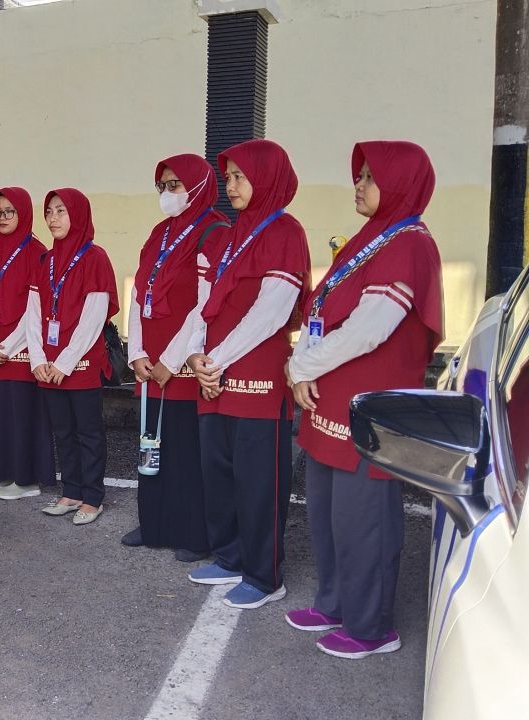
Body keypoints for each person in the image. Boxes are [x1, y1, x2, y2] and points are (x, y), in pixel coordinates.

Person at [286, 141, 443, 659]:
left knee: (366, 521)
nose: (358, 184)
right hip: (326, 401)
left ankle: (372, 627)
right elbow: (322, 309)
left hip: (367, 411)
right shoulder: (367, 241)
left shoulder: (411, 245)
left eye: (371, 177)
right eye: (359, 175)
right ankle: (335, 604)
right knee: (328, 514)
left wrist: (300, 366)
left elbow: (368, 330)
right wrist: (302, 367)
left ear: (400, 184)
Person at [181, 139, 311, 610]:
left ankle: (264, 573)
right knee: (220, 472)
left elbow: (271, 313)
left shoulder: (285, 232)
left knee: (258, 480)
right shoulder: (229, 235)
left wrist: (214, 361)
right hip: (215, 374)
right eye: (227, 177)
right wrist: (195, 354)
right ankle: (231, 556)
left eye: (238, 177)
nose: (229, 186)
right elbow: (205, 305)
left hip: (254, 377)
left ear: (267, 177)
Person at [123, 154, 230, 560]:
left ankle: (190, 533)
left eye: (175, 186)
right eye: (162, 186)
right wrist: (136, 352)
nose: (167, 194)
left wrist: (172, 358)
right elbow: (138, 293)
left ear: (198, 186)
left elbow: (204, 306)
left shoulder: (214, 231)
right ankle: (154, 524)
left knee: (185, 450)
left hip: (182, 361)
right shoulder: (159, 233)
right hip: (150, 361)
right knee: (151, 443)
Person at [25, 189, 118, 526]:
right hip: (48, 365)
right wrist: (38, 359)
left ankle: (93, 497)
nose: (52, 218)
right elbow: (33, 313)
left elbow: (93, 319)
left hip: (79, 363)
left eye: (61, 211)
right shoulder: (46, 261)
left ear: (77, 214)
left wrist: (63, 363)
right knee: (62, 431)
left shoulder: (95, 258)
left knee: (88, 432)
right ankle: (72, 490)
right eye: (49, 211)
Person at [0, 187, 55, 500]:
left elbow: (36, 308)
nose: (3, 218)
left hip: (21, 350)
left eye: (10, 211)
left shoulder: (37, 252)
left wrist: (7, 346)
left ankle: (26, 480)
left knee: (22, 416)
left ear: (23, 213)